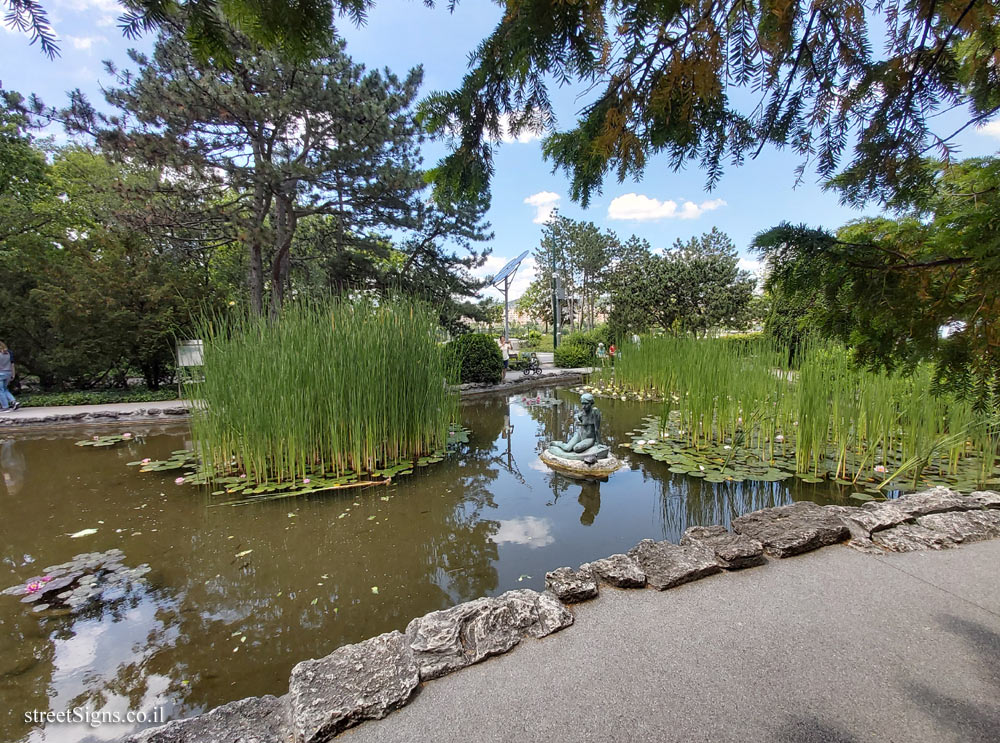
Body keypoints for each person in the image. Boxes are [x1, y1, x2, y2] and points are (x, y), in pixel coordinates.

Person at [0, 342, 19, 411]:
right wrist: (13, 374)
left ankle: (5, 406)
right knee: (4, 389)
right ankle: (13, 401)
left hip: (0, 374)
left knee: (0, 390)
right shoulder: (9, 353)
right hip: (8, 373)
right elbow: (12, 365)